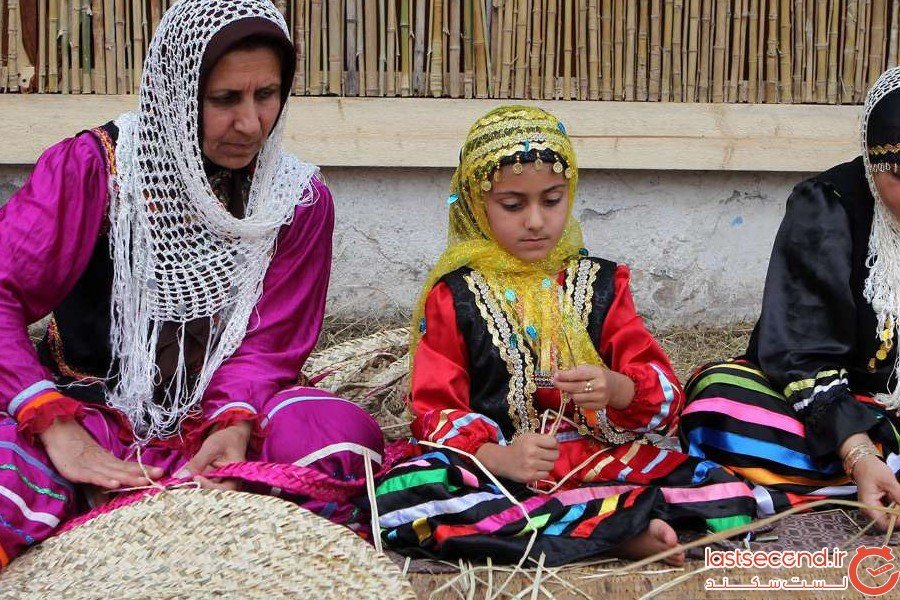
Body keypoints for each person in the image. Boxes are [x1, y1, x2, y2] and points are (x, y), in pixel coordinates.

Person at [0, 0, 382, 568]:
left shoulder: (295, 201)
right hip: (91, 420)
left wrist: (232, 426)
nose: (250, 123)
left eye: (266, 95)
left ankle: (182, 498)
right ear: (174, 91)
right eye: (224, 99)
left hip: (222, 430)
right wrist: (54, 425)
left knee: (334, 430)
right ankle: (137, 494)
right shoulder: (95, 168)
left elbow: (270, 344)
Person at [374, 106, 756, 567]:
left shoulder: (601, 286)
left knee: (722, 488)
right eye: (513, 205)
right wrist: (498, 456)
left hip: (593, 461)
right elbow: (435, 409)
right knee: (403, 491)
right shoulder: (454, 295)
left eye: (551, 201)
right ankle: (618, 533)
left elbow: (666, 398)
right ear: (477, 203)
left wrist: (617, 388)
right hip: (493, 474)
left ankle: (584, 528)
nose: (535, 221)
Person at [680, 67, 900, 530]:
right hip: (822, 410)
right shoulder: (828, 206)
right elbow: (802, 355)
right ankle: (868, 476)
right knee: (717, 401)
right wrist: (858, 453)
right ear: (872, 161)